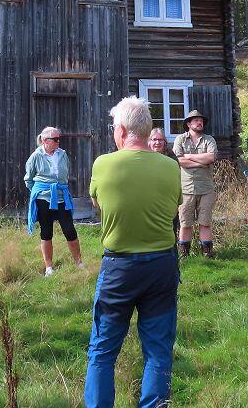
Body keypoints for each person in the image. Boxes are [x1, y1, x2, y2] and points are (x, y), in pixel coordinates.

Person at [85, 97, 182, 408]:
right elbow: (175, 206)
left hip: (119, 267)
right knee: (158, 348)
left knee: (102, 351)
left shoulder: (103, 163)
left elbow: (98, 203)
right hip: (162, 265)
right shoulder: (170, 166)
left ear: (123, 130)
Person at [24, 126, 82, 276]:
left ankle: (79, 263)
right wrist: (41, 192)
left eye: (59, 139)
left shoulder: (63, 154)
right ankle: (49, 267)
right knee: (46, 231)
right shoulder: (35, 156)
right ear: (44, 141)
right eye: (55, 139)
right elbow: (28, 180)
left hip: (62, 197)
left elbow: (65, 174)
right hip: (44, 199)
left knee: (69, 229)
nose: (58, 142)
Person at [173, 110, 218, 258]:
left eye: (201, 120)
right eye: (196, 120)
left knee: (205, 223)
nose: (200, 123)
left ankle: (207, 255)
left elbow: (211, 158)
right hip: (185, 189)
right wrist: (200, 161)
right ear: (188, 124)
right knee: (185, 223)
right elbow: (178, 160)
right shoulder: (180, 139)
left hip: (206, 189)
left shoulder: (209, 140)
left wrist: (188, 156)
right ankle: (184, 255)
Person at [148, 128, 180, 239]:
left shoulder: (171, 157)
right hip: (149, 200)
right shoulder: (144, 157)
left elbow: (176, 179)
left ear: (164, 142)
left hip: (167, 199)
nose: (157, 143)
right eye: (154, 139)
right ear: (149, 141)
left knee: (170, 231)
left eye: (160, 140)